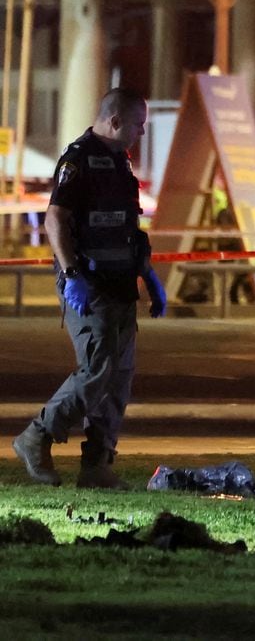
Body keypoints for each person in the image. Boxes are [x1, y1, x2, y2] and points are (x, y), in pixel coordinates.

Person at [11, 87, 166, 489]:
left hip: (120, 284)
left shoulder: (120, 163)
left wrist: (148, 275)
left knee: (119, 377)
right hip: (89, 284)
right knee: (98, 368)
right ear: (115, 121)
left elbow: (127, 227)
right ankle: (37, 436)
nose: (141, 134)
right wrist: (72, 273)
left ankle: (97, 465)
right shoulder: (78, 160)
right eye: (138, 125)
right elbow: (55, 220)